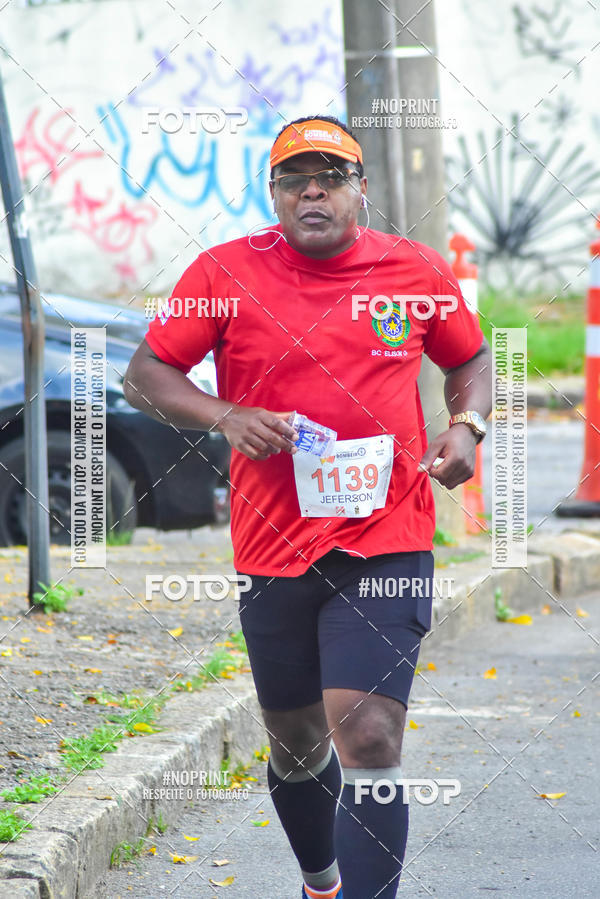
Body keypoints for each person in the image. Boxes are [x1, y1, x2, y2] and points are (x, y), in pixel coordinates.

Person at [124, 115, 492, 899]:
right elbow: (146, 375)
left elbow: (471, 357)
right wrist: (225, 415)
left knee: (369, 731)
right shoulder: (224, 272)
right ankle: (320, 883)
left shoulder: (413, 270)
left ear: (362, 188)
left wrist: (468, 425)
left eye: (331, 177)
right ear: (275, 194)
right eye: (295, 180)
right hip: (272, 546)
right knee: (296, 742)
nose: (313, 192)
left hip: (386, 537)